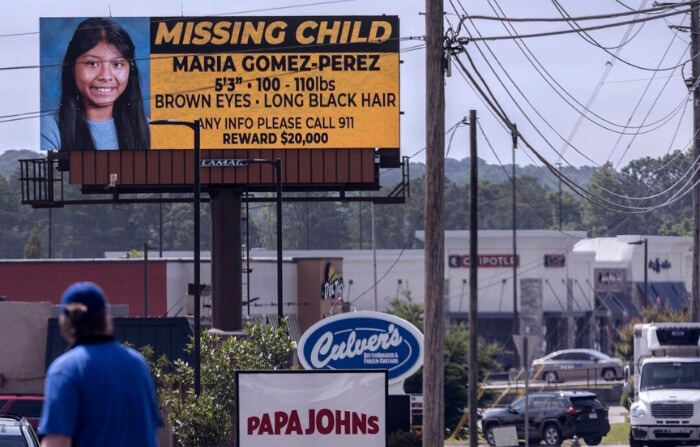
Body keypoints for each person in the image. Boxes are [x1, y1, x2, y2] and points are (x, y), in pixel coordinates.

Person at [39, 282, 160, 447]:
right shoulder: (138, 365)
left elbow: (57, 442)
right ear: (105, 317)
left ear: (66, 321)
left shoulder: (65, 370)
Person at [41, 18, 150, 151]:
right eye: (92, 63)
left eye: (117, 64)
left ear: (130, 70)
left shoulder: (150, 129)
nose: (105, 76)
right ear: (71, 68)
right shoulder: (48, 129)